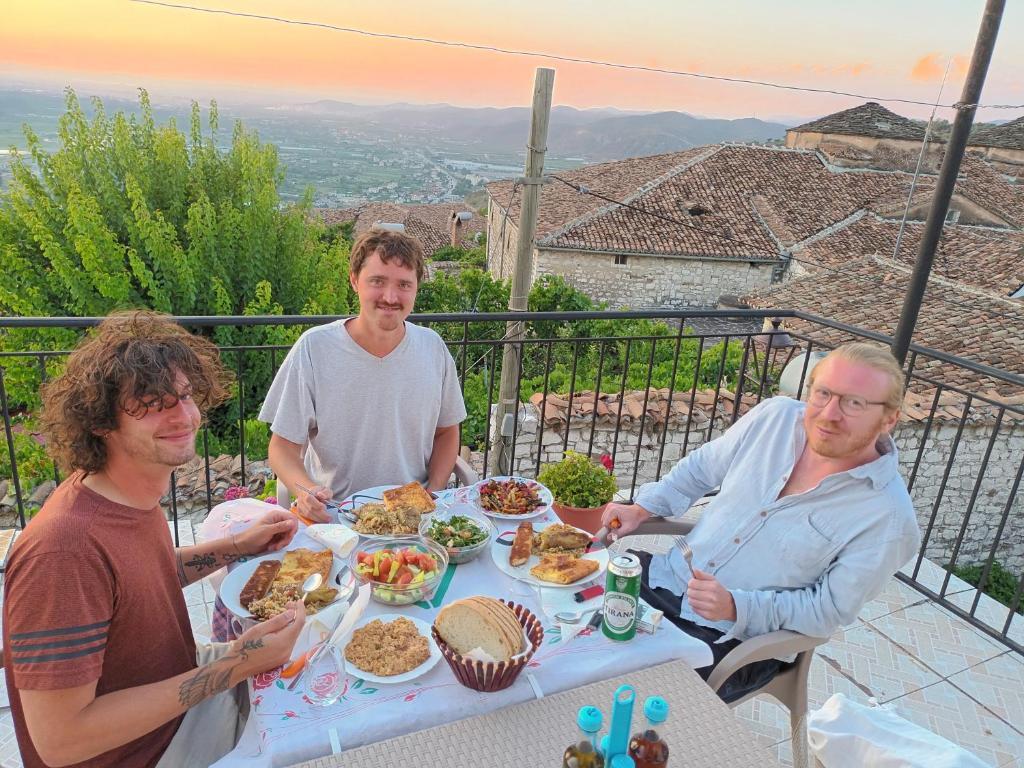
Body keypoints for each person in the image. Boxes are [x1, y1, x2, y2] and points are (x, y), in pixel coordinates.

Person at [2, 311, 306, 768]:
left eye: (184, 396)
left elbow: (141, 580)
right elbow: (60, 741)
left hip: (178, 681)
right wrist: (237, 665)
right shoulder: (63, 550)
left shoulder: (126, 490)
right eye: (153, 404)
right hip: (153, 750)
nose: (183, 417)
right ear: (101, 422)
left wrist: (237, 547)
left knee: (323, 643)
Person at [601, 342, 921, 702]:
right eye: (823, 393)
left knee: (625, 702)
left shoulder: (888, 518)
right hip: (662, 579)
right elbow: (701, 469)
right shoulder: (774, 419)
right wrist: (643, 507)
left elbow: (828, 610)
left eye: (854, 403)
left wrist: (736, 606)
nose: (830, 414)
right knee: (561, 623)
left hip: (730, 639)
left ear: (889, 419)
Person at [262, 227, 467, 522]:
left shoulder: (433, 347)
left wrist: (433, 491)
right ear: (354, 280)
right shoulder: (314, 348)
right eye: (377, 281)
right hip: (336, 515)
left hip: (414, 517)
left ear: (416, 288)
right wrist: (307, 491)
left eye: (404, 285)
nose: (390, 296)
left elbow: (447, 431)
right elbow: (281, 447)